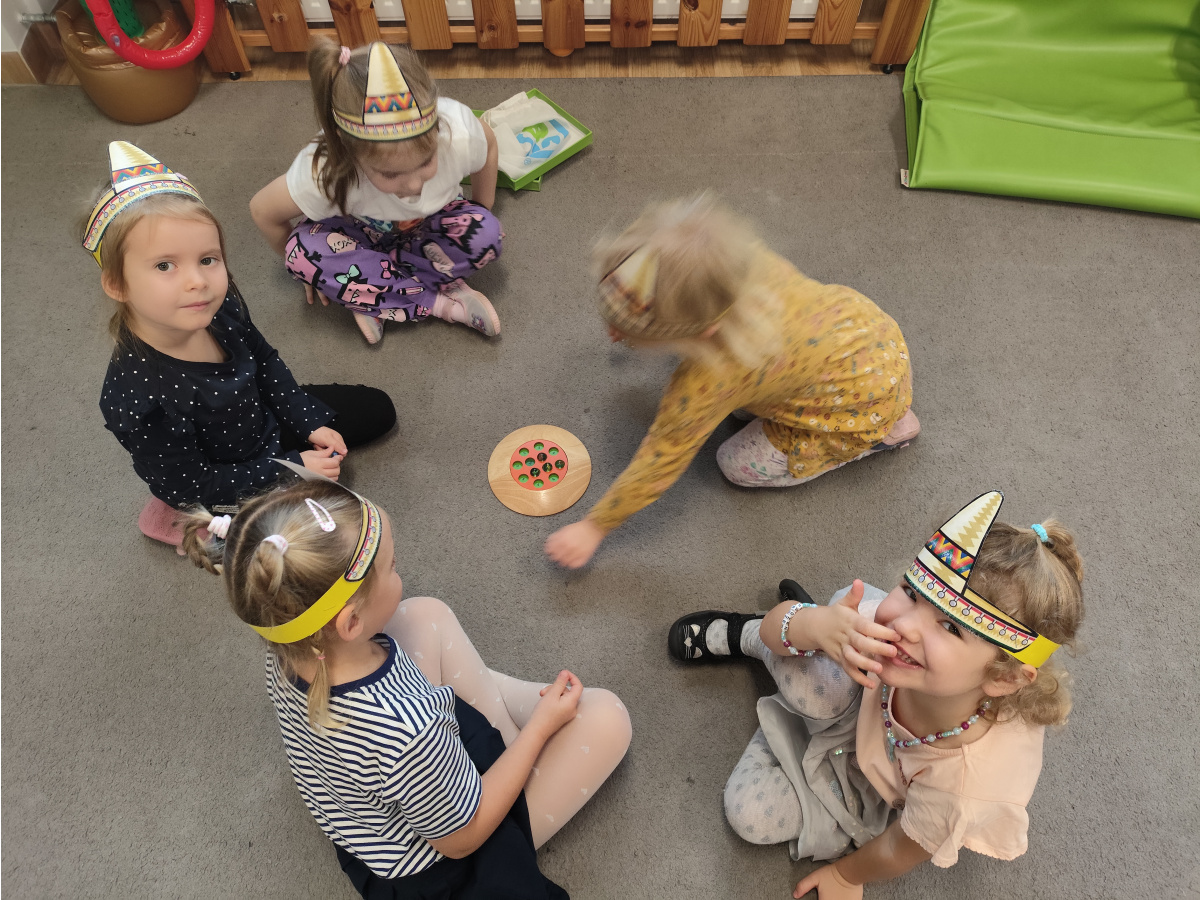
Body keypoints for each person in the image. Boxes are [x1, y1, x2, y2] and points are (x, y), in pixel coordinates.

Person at [182, 474, 631, 898]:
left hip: (379, 808)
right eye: (392, 568)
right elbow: (463, 838)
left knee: (424, 613)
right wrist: (539, 731)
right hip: (448, 860)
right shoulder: (408, 733)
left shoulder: (286, 652)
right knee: (608, 718)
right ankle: (523, 739)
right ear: (351, 622)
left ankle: (516, 729)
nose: (400, 572)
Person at [666, 492, 1084, 899]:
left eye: (950, 627)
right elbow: (781, 629)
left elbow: (900, 848)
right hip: (862, 695)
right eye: (912, 593)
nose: (905, 624)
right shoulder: (882, 635)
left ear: (1004, 678)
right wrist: (811, 626)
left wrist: (845, 875)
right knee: (809, 647)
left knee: (748, 814)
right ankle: (748, 634)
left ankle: (787, 726)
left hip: (875, 784)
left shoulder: (966, 787)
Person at [544, 196, 919, 569]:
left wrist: (594, 527)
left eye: (625, 332)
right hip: (872, 334)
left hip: (858, 405)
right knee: (742, 406)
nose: (611, 336)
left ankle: (881, 434)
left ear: (704, 333)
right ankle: (881, 411)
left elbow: (661, 459)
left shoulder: (706, 383)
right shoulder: (742, 260)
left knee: (734, 463)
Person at [89, 141, 395, 549]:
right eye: (165, 265)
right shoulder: (140, 399)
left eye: (208, 259)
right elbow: (196, 483)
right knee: (309, 544)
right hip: (215, 477)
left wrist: (307, 420)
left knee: (377, 411)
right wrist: (292, 467)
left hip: (258, 418)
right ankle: (176, 516)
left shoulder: (215, 305)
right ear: (118, 284)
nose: (198, 281)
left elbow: (264, 361)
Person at [250, 39, 504, 345]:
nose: (414, 185)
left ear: (438, 130)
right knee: (300, 255)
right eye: (391, 174)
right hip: (354, 233)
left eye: (425, 162)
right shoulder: (323, 171)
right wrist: (308, 276)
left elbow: (489, 144)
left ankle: (373, 296)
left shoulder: (458, 132)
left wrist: (482, 205)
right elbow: (262, 210)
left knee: (486, 233)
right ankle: (438, 302)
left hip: (429, 225)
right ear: (348, 152)